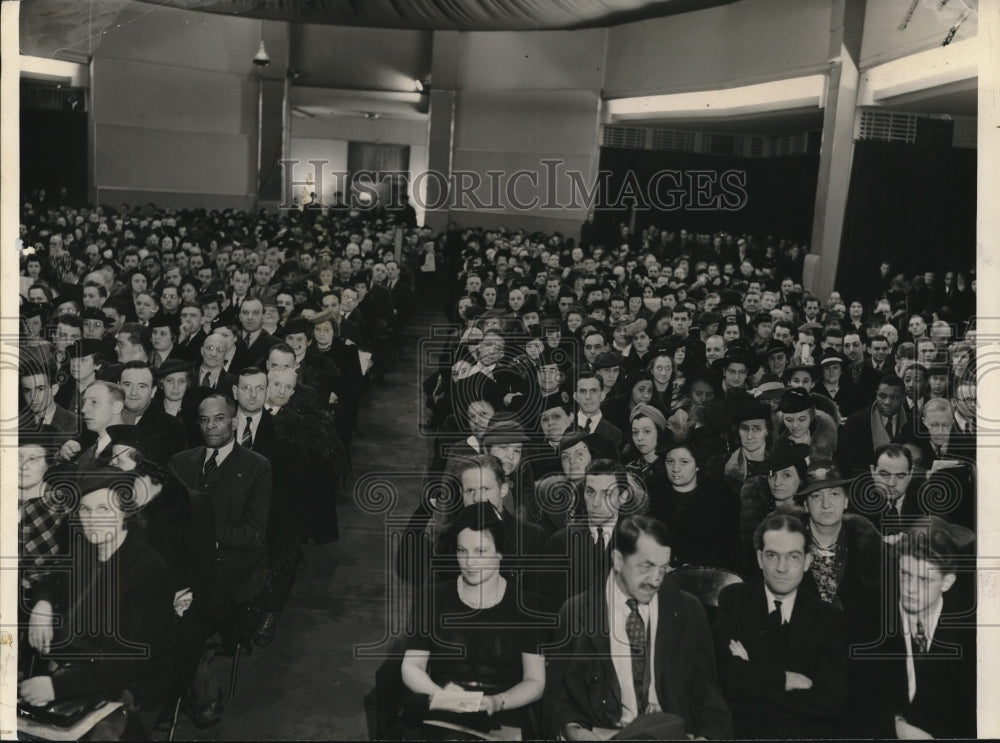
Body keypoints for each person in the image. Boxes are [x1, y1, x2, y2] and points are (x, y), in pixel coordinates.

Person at [544, 514, 733, 740]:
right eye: (646, 566)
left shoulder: (688, 610)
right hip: (604, 733)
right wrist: (573, 728)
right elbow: (556, 696)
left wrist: (707, 737)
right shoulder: (575, 613)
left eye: (663, 568)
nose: (656, 579)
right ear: (617, 560)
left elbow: (709, 696)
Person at [21, 468, 176, 738]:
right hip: (77, 666)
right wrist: (42, 605)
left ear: (127, 513)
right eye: (85, 510)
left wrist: (57, 687)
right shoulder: (83, 547)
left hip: (129, 683)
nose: (93, 520)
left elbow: (129, 661)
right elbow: (49, 580)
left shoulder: (147, 570)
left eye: (104, 509)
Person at [400, 503, 546, 739]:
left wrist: (498, 701)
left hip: (504, 710)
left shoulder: (528, 606)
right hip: (443, 705)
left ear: (500, 552)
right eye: (462, 551)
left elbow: (535, 681)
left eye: (480, 551)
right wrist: (444, 696)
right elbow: (411, 666)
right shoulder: (432, 597)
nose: (469, 562)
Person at [169, 393, 272, 725]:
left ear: (233, 421)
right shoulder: (180, 462)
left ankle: (202, 692)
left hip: (227, 570)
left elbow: (254, 535)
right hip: (182, 565)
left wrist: (206, 537)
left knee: (189, 618)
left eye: (219, 418)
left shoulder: (257, 466)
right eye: (204, 420)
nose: (210, 426)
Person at [716, 512, 849, 738]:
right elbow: (725, 678)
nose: (782, 567)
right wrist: (785, 679)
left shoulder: (829, 618)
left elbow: (830, 700)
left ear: (807, 561)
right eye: (772, 556)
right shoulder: (734, 600)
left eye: (793, 557)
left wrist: (753, 675)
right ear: (759, 559)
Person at [869, 518, 976, 738]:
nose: (910, 589)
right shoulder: (870, 621)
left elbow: (973, 711)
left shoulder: (972, 634)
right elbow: (855, 696)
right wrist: (896, 727)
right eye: (905, 574)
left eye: (924, 580)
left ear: (947, 582)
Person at [647, 440, 740, 571]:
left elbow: (729, 549)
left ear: (697, 465)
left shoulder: (719, 498)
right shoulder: (653, 493)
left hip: (705, 574)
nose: (675, 469)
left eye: (684, 462)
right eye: (670, 461)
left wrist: (694, 567)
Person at [837, 374, 910, 475]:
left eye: (894, 397)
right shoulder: (857, 422)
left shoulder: (912, 423)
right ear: (876, 395)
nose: (887, 402)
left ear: (903, 398)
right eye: (882, 396)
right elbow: (844, 462)